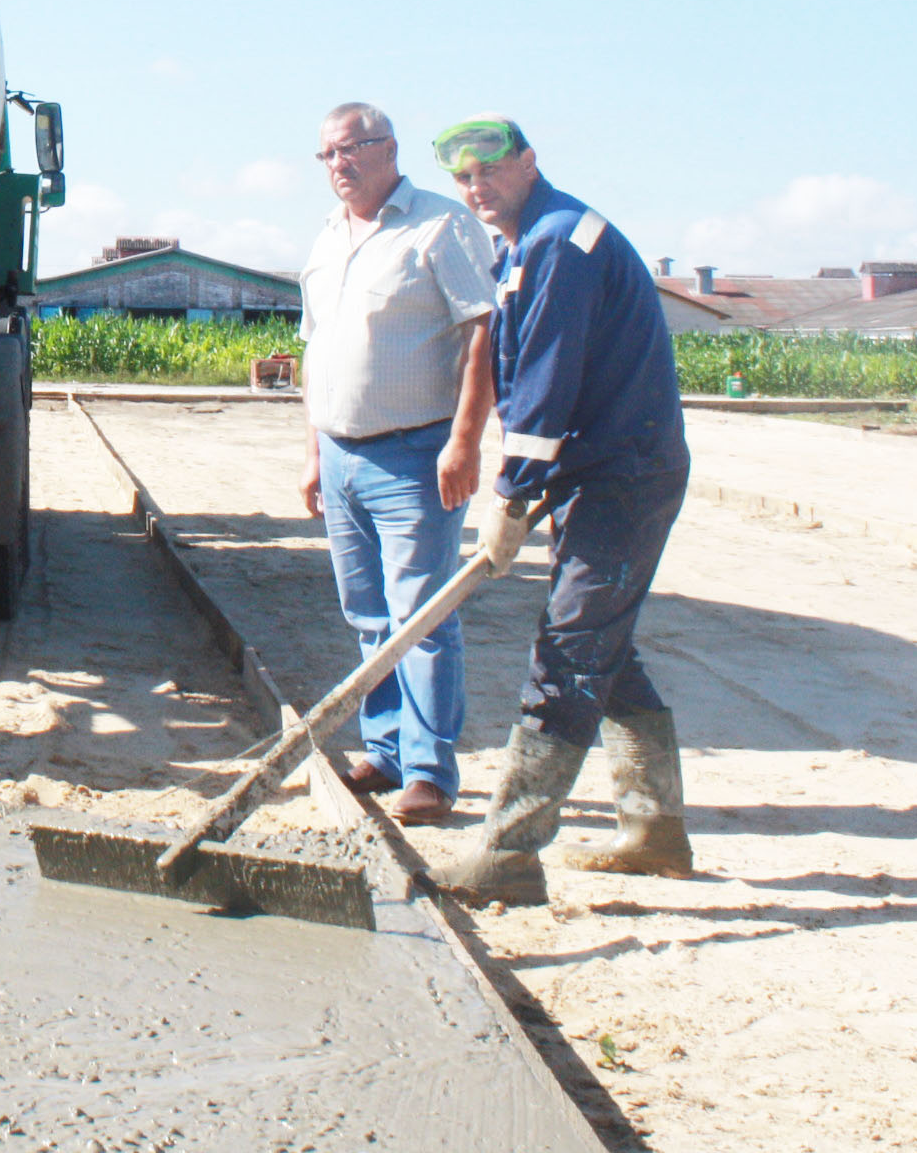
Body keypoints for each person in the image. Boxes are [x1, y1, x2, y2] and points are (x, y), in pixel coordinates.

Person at [432, 117, 695, 906]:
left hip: (627, 470)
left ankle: (508, 854)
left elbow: (546, 380)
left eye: (492, 170)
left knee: (571, 651)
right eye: (465, 179)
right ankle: (656, 832)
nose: (479, 187)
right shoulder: (522, 244)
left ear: (528, 163)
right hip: (599, 467)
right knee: (602, 645)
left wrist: (511, 493)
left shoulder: (557, 242)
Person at [296, 102, 500, 825]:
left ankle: (430, 773)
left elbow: (485, 332)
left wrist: (464, 441)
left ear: (388, 150)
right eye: (327, 155)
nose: (338, 165)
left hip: (416, 453)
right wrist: (316, 452)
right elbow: (316, 352)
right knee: (369, 614)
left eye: (352, 150)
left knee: (422, 615)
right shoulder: (326, 239)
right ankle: (382, 752)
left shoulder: (441, 226)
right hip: (343, 455)